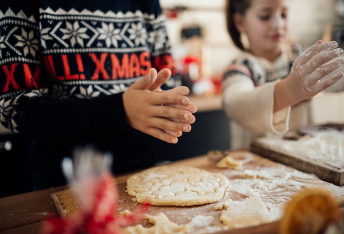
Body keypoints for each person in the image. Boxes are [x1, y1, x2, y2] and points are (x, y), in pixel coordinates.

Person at [0, 0, 197, 189]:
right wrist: (120, 110)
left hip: (141, 172)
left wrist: (161, 102)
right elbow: (17, 108)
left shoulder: (145, 2)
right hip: (64, 181)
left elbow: (168, 77)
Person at [223, 0, 344, 149]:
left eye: (284, 14)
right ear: (240, 22)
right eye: (265, 16)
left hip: (304, 161)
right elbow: (238, 106)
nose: (278, 24)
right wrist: (289, 90)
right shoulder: (241, 68)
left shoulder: (300, 60)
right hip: (253, 165)